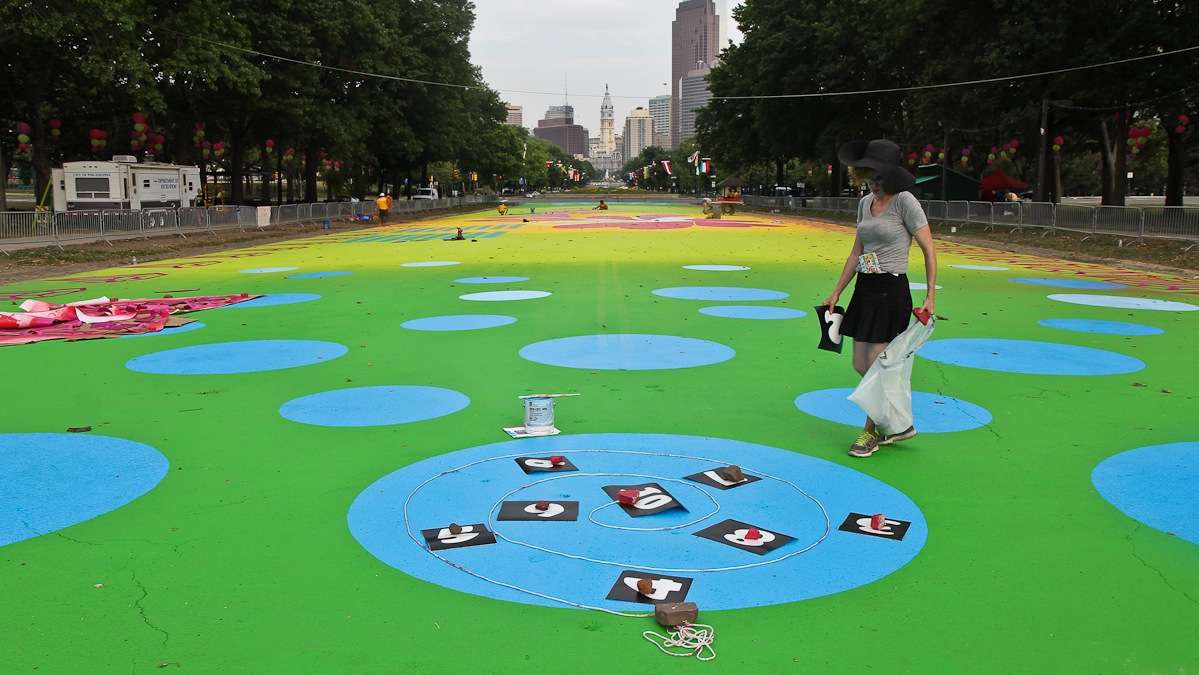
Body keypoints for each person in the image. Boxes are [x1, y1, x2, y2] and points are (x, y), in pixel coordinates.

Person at [822, 139, 937, 458]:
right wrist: (837, 291)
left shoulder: (905, 202)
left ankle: (869, 432)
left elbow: (929, 249)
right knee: (861, 363)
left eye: (877, 175)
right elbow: (856, 251)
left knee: (878, 365)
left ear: (891, 175)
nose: (872, 181)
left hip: (892, 289)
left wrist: (930, 295)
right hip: (865, 288)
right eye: (868, 175)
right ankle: (898, 424)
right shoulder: (864, 203)